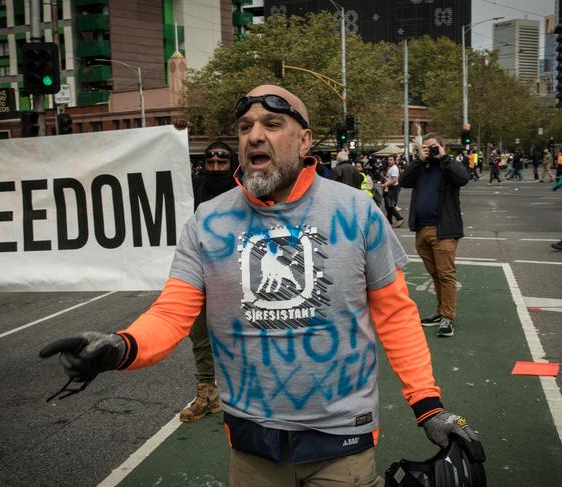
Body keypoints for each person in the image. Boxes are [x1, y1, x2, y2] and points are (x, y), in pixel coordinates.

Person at [40, 85, 478, 486]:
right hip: (252, 447)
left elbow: (396, 315)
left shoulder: (357, 212)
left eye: (272, 124)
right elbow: (172, 313)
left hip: (343, 439)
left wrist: (428, 405)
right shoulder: (207, 223)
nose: (254, 135)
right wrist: (122, 347)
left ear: (304, 141)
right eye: (245, 126)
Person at [179, 141, 238, 422]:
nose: (215, 169)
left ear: (232, 164)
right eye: (210, 164)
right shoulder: (191, 188)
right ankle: (207, 394)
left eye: (221, 164)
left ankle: (248, 393)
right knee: (200, 337)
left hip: (235, 276)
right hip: (200, 274)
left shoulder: (245, 191)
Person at [398, 133, 469, 338]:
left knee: (446, 274)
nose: (431, 151)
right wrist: (418, 160)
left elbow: (463, 178)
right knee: (435, 274)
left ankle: (447, 317)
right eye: (427, 148)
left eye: (434, 147)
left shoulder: (448, 167)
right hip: (422, 229)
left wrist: (444, 157)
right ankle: (440, 312)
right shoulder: (421, 167)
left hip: (443, 230)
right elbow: (403, 181)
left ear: (442, 146)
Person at [380, 155, 405, 228]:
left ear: (394, 161)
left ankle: (399, 218)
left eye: (391, 160)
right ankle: (389, 222)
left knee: (390, 205)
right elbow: (389, 178)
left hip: (392, 188)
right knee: (387, 206)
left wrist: (385, 184)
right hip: (388, 187)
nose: (389, 161)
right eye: (388, 159)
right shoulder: (390, 167)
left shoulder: (394, 168)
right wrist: (383, 177)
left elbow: (394, 180)